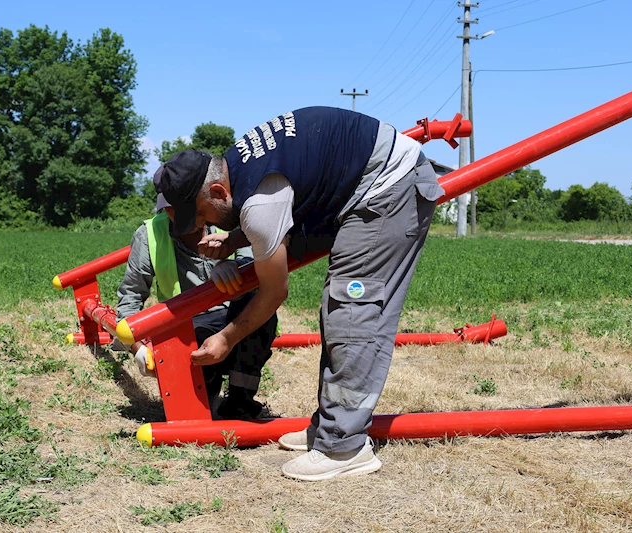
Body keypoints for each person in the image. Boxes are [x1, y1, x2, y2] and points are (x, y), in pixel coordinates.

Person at [153, 107, 444, 481]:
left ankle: (344, 446)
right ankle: (329, 427)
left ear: (218, 191)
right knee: (336, 312)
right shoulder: (237, 167)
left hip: (388, 187)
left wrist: (226, 338)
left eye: (199, 214)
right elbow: (281, 203)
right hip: (368, 183)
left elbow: (274, 292)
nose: (202, 224)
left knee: (351, 310)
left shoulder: (258, 203)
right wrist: (234, 241)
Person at [114, 174, 278, 420]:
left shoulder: (229, 219)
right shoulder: (149, 234)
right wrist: (137, 347)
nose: (177, 216)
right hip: (186, 326)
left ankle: (240, 400)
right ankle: (203, 392)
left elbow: (255, 262)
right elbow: (130, 297)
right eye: (169, 209)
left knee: (262, 315)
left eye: (183, 208)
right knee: (195, 343)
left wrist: (233, 264)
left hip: (234, 318)